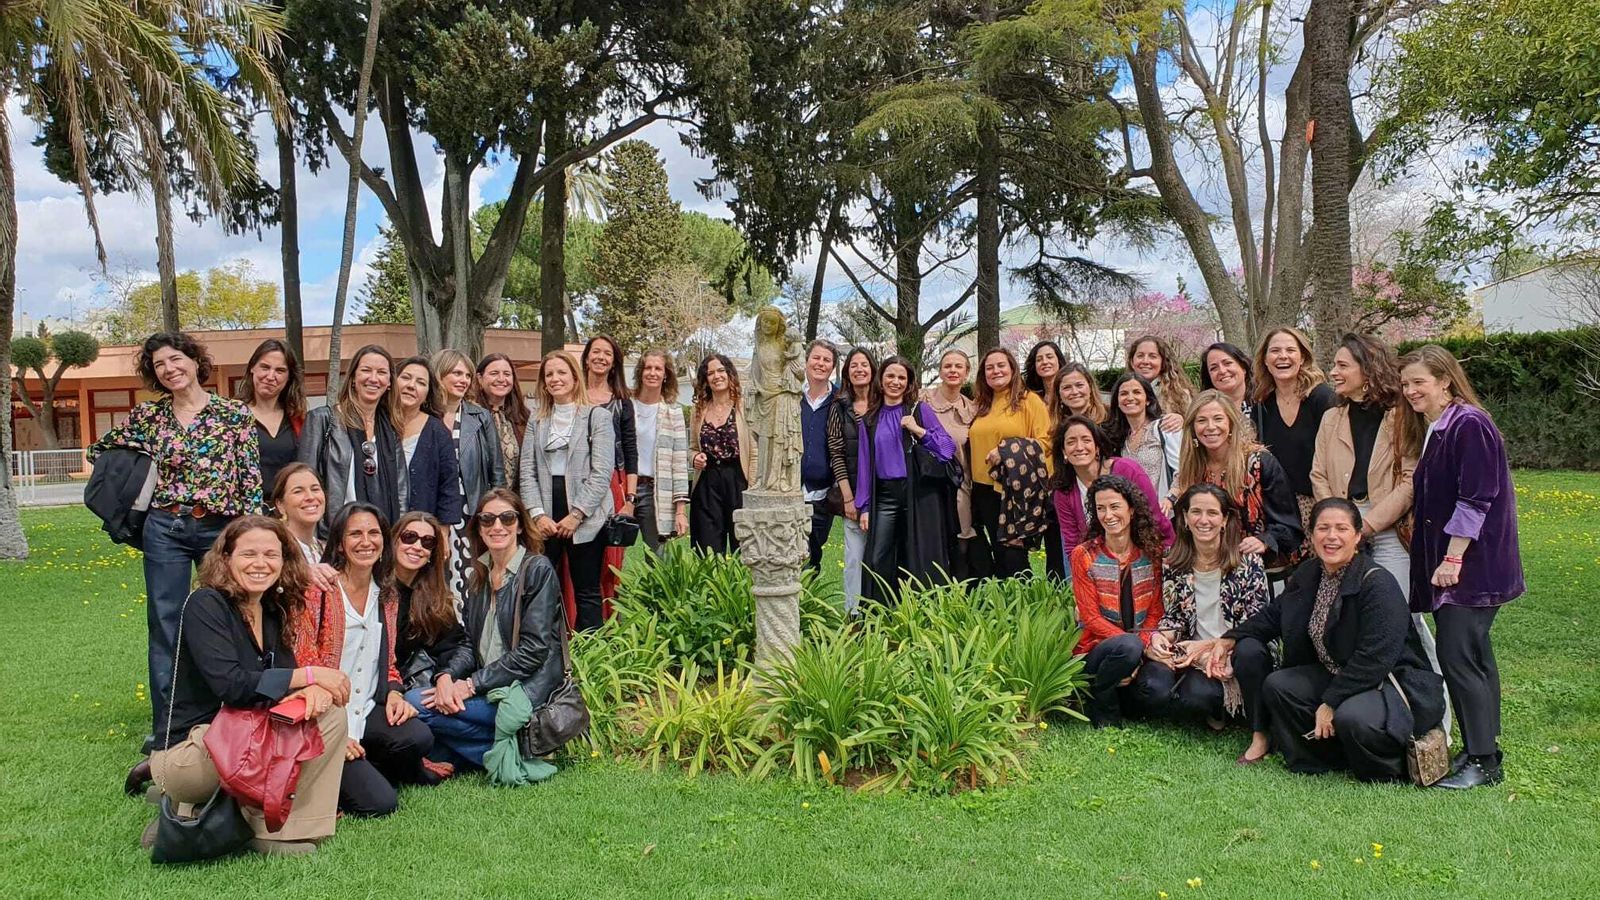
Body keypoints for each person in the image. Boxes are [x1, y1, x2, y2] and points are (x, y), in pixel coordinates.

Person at [90, 331, 262, 782]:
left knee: (225, 617)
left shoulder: (232, 414)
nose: (169, 369)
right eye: (160, 365)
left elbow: (249, 477)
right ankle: (168, 729)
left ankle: (225, 713)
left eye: (175, 359)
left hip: (218, 527)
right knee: (165, 624)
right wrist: (133, 484)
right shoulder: (149, 417)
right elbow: (102, 451)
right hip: (165, 526)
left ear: (193, 360)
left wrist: (248, 532)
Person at [1200, 499, 1445, 782]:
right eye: (1323, 528)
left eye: (1341, 529)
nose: (1331, 536)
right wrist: (1229, 640)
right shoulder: (1309, 574)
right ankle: (1323, 759)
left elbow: (1375, 657)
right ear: (1312, 535)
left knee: (1351, 716)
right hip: (1335, 673)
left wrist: (1330, 703)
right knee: (1279, 685)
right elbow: (1271, 617)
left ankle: (1385, 768)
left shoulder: (1377, 583)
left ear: (1356, 536)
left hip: (1388, 681)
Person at [146, 516, 348, 857]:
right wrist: (310, 677)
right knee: (288, 720)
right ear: (226, 558)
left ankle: (265, 824)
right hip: (191, 750)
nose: (260, 564)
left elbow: (284, 682)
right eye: (249, 554)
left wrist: (310, 691)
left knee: (328, 714)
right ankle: (215, 816)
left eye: (271, 554)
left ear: (284, 561)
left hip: (245, 740)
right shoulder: (205, 604)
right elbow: (232, 685)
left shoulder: (271, 610)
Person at [1401, 345, 1524, 789]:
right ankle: (1483, 747)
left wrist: (1453, 558)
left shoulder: (1469, 423)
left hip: (1471, 566)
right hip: (1454, 563)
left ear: (1445, 381)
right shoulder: (1439, 426)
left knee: (1459, 656)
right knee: (1476, 655)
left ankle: (1482, 760)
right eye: (1406, 384)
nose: (1411, 391)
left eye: (1419, 382)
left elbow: (1476, 498)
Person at [1311, 334, 1446, 710]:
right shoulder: (1331, 418)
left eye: (1342, 365)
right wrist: (1337, 526)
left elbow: (1410, 480)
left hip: (1387, 530)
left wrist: (1366, 527)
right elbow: (1318, 474)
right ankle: (1370, 706)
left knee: (1404, 622)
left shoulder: (1400, 415)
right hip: (1342, 528)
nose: (1333, 372)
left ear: (1367, 369)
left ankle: (1436, 711)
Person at [293, 503, 433, 816]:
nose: (366, 541)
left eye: (374, 533)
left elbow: (389, 663)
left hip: (365, 710)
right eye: (355, 534)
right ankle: (321, 774)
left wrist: (395, 692)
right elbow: (303, 665)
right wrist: (333, 734)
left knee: (418, 737)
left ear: (385, 540)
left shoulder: (387, 594)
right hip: (325, 719)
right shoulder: (319, 592)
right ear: (340, 542)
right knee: (380, 803)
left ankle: (361, 765)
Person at [417, 489, 564, 770]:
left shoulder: (537, 570)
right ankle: (505, 746)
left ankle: (505, 748)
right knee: (427, 715)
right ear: (479, 529)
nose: (497, 526)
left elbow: (533, 651)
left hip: (522, 690)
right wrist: (447, 676)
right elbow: (469, 644)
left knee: (418, 708)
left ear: (520, 525)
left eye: (507, 518)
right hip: (487, 686)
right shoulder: (479, 577)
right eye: (487, 519)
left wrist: (471, 685)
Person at [1146, 485, 1272, 763]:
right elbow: (1175, 616)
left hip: (1241, 648)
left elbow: (1258, 620)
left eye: (1212, 513)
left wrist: (1216, 644)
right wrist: (1160, 637)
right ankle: (1225, 709)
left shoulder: (1247, 560)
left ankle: (1259, 731)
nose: (1204, 520)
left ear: (1225, 519)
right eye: (1197, 512)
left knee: (1251, 653)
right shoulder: (1174, 563)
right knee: (1192, 697)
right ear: (1186, 519)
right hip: (1198, 656)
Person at [521, 349, 615, 631]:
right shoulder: (536, 420)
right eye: (549, 374)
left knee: (586, 590)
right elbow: (527, 472)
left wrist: (577, 515)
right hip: (546, 513)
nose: (554, 379)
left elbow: (601, 473)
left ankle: (590, 655)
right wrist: (537, 516)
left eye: (561, 372)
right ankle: (547, 652)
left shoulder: (596, 417)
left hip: (584, 513)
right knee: (542, 589)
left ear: (575, 378)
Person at [854, 356, 958, 604]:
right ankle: (879, 614)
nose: (895, 382)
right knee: (879, 557)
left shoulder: (919, 411)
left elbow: (947, 449)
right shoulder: (869, 419)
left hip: (918, 493)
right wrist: (864, 507)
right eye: (890, 376)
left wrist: (918, 430)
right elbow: (864, 466)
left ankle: (923, 614)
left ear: (909, 382)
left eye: (902, 377)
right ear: (881, 379)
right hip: (885, 496)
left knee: (918, 557)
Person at [1069, 475, 1170, 727]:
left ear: (1131, 509)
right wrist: (1132, 647)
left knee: (1159, 690)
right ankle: (1102, 705)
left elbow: (1155, 612)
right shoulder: (1084, 555)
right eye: (1100, 508)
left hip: (1137, 646)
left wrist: (1141, 647)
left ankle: (1119, 693)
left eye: (1114, 506)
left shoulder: (1149, 554)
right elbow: (1090, 618)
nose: (1108, 515)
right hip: (1095, 650)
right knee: (1127, 647)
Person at [1171, 390, 1302, 574]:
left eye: (1218, 419)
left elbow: (1290, 525)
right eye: (1201, 421)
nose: (1210, 427)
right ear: (1192, 428)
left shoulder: (1259, 463)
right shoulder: (1191, 469)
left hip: (1263, 570)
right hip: (1212, 569)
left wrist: (1264, 540)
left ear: (1231, 423)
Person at [390, 512, 474, 782]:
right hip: (383, 695)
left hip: (416, 694)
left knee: (428, 721)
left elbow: (458, 644)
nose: (417, 546)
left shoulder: (431, 593)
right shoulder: (373, 587)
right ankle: (499, 748)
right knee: (423, 740)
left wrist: (445, 676)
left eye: (427, 543)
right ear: (394, 541)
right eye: (409, 537)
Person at [299, 344, 408, 532]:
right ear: (353, 378)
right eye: (366, 370)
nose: (373, 379)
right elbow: (303, 484)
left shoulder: (391, 430)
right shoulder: (323, 420)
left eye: (382, 372)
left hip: (380, 538)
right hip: (334, 536)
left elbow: (401, 492)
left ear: (390, 382)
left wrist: (398, 534)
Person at [968, 348, 1054, 579]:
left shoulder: (1029, 401)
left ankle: (1024, 604)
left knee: (1013, 551)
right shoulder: (981, 405)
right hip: (982, 488)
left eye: (1001, 365)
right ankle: (1003, 603)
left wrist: (1006, 451)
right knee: (996, 549)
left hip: (1014, 488)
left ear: (1012, 369)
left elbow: (1047, 441)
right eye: (989, 367)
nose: (996, 371)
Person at [431, 348, 506, 600]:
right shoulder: (423, 415)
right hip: (435, 512)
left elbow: (497, 470)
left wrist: (495, 513)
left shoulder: (479, 416)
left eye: (467, 375)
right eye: (456, 373)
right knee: (437, 577)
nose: (463, 380)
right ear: (439, 375)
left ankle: (470, 632)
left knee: (472, 576)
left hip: (472, 510)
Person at [1249, 327, 1336, 539]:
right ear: (1265, 360)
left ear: (1302, 357)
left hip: (1320, 501)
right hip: (1279, 510)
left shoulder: (1321, 397)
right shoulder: (1261, 404)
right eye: (1275, 351)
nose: (1283, 356)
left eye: (1290, 350)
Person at [1051, 415, 1172, 564]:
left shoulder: (1127, 469)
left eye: (1086, 440)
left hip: (1146, 554)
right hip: (1099, 564)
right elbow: (1072, 543)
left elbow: (1154, 518)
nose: (1079, 447)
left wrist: (1166, 553)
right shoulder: (1063, 492)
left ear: (1097, 447)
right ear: (1064, 451)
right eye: (1071, 442)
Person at [582, 335, 637, 603]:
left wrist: (630, 499)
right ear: (587, 357)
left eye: (607, 354)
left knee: (609, 556)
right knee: (578, 553)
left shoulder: (622, 401)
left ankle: (608, 618)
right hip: (576, 482)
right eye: (596, 352)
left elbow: (630, 450)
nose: (601, 357)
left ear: (614, 363)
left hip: (613, 482)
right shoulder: (573, 396)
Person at [919, 348, 982, 580]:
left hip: (960, 484)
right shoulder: (922, 399)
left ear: (966, 373)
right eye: (948, 366)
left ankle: (958, 595)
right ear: (940, 371)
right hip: (927, 484)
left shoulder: (973, 409)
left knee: (961, 540)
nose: (953, 370)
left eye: (958, 366)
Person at [689, 353, 753, 554]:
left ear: (729, 373)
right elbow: (692, 447)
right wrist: (694, 458)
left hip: (739, 481)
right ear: (705, 379)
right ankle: (710, 585)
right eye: (710, 373)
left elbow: (755, 450)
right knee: (707, 549)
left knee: (742, 546)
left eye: (720, 370)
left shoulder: (744, 406)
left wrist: (753, 486)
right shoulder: (698, 410)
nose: (716, 376)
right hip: (707, 484)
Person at [828, 348, 875, 613]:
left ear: (872, 369)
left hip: (885, 494)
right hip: (853, 492)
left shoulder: (885, 403)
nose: (859, 369)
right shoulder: (840, 406)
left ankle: (880, 611)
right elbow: (835, 452)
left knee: (880, 557)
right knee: (855, 557)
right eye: (854, 365)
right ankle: (853, 614)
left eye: (864, 364)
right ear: (847, 371)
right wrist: (848, 496)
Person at [392, 355, 464, 526]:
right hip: (377, 529)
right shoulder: (376, 424)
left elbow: (449, 486)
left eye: (421, 383)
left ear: (428, 393)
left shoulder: (437, 431)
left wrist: (444, 529)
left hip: (421, 531)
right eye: (406, 378)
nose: (411, 386)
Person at [631, 350, 691, 551]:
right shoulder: (625, 406)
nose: (652, 373)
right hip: (623, 490)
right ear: (640, 372)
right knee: (611, 555)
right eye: (648, 367)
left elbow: (679, 463)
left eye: (658, 368)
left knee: (658, 558)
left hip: (655, 492)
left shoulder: (673, 412)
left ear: (666, 375)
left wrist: (681, 511)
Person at [236, 338, 305, 492]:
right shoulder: (232, 416)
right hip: (246, 511)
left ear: (289, 377)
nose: (270, 376)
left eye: (280, 371)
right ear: (252, 368)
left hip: (287, 510)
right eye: (265, 367)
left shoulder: (298, 419)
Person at [1103, 371, 1181, 502]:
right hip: (1135, 515)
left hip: (1164, 512)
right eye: (1123, 393)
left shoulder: (1165, 427)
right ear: (1117, 401)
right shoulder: (1119, 437)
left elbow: (1183, 471)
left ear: (1148, 400)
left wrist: (1170, 499)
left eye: (1137, 392)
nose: (1130, 397)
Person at [800, 340, 838, 571]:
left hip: (823, 495)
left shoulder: (840, 401)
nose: (820, 364)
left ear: (833, 367)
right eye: (816, 358)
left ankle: (806, 605)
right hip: (790, 492)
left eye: (826, 360)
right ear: (806, 362)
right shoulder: (792, 398)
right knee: (787, 554)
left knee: (813, 556)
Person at [471, 352, 528, 494]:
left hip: (515, 503)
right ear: (479, 378)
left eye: (507, 374)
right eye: (494, 373)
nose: (501, 379)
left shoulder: (525, 419)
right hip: (477, 502)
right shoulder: (468, 417)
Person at [1126, 334, 1194, 433]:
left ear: (1163, 363)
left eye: (1152, 356)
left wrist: (1183, 421)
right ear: (1132, 362)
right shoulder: (1123, 396)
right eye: (1140, 356)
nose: (1145, 361)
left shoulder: (1181, 395)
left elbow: (1196, 429)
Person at [272, 462, 326, 565]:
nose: (310, 497)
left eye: (315, 489)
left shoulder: (325, 549)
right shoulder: (276, 548)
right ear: (280, 505)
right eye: (298, 491)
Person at [1199, 341, 1255, 421]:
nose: (1222, 371)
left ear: (1243, 368)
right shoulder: (1203, 412)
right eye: (1214, 368)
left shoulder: (1265, 403)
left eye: (1227, 363)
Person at [1022, 340, 1066, 407]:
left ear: (1059, 360)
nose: (1044, 362)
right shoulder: (1031, 398)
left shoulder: (1069, 392)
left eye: (1049, 357)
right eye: (1039, 359)